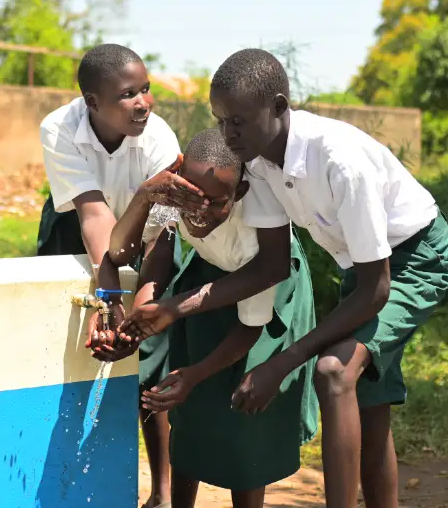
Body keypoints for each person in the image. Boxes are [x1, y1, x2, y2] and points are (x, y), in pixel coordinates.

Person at [200, 48, 448, 508]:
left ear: (280, 107)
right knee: (369, 408)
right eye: (220, 120)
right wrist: (178, 306)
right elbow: (271, 266)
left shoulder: (339, 160)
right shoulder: (259, 163)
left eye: (238, 120)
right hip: (361, 269)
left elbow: (377, 289)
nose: (228, 134)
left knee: (335, 371)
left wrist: (283, 362)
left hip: (416, 257)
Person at [110, 128, 318, 508]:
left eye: (216, 202)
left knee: (245, 416)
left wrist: (197, 373)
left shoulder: (259, 236)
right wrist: (144, 309)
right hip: (206, 273)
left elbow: (250, 330)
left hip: (260, 287)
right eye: (191, 199)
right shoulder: (177, 192)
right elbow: (161, 246)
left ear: (238, 194)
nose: (199, 213)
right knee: (189, 414)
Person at [37, 43, 205, 508]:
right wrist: (108, 298)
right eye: (128, 94)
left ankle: (163, 492)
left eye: (146, 90)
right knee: (71, 346)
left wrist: (137, 312)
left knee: (149, 361)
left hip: (150, 238)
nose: (144, 102)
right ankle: (65, 474)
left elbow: (162, 238)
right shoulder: (59, 128)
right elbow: (91, 214)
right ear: (93, 103)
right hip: (76, 229)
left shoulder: (159, 141)